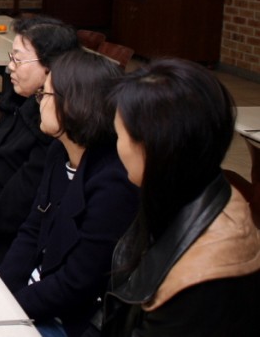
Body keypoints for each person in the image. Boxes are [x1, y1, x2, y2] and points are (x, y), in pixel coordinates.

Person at [95, 59, 260, 336]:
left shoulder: (204, 274)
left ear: (154, 145)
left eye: (119, 135)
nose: (116, 146)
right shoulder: (184, 188)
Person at [0, 49, 139, 337]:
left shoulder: (114, 183)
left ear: (75, 104)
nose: (39, 101)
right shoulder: (58, 152)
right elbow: (30, 232)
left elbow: (77, 283)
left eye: (45, 94)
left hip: (67, 321)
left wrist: (8, 309)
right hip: (31, 301)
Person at [0, 15, 79, 267]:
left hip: (0, 237)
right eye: (11, 57)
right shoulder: (18, 102)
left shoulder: (51, 127)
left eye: (18, 60)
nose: (10, 67)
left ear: (51, 69)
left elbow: (19, 206)